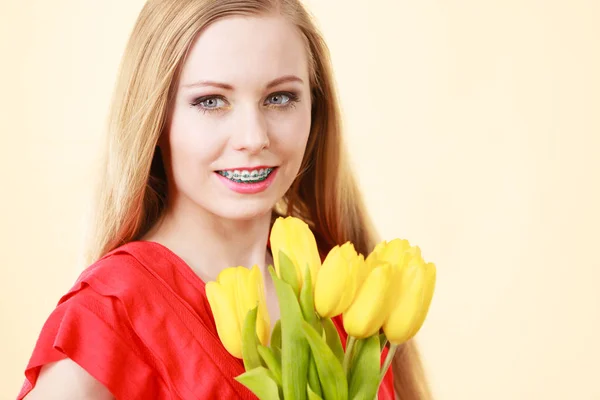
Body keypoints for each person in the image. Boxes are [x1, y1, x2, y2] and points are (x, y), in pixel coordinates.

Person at [18, 0, 432, 398]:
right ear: (155, 118)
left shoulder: (346, 282)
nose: (253, 138)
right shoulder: (114, 313)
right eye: (211, 101)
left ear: (315, 110)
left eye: (280, 97)